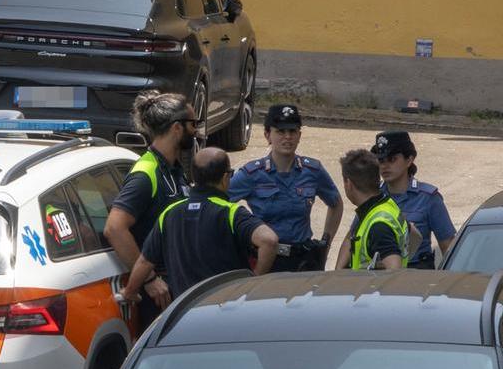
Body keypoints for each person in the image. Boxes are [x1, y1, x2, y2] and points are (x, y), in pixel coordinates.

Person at [119, 147, 279, 308]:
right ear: (225, 178)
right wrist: (252, 285)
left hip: (186, 313)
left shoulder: (169, 213)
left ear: (194, 177)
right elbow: (269, 240)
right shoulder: (231, 213)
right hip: (227, 311)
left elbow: (145, 261)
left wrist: (129, 292)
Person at [104, 91, 196, 330]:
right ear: (177, 128)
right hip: (159, 294)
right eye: (193, 124)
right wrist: (149, 279)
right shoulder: (146, 173)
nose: (197, 131)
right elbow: (114, 228)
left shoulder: (174, 169)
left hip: (179, 285)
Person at [228, 104, 343, 271]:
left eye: (292, 131)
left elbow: (336, 203)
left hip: (303, 262)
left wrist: (326, 243)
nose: (287, 137)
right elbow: (219, 203)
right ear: (267, 135)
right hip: (267, 262)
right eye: (280, 131)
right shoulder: (252, 174)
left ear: (299, 135)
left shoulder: (313, 170)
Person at [372, 130, 457, 269]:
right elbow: (352, 238)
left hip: (417, 275)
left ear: (409, 160)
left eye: (392, 159)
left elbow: (448, 248)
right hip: (378, 274)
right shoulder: (373, 196)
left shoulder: (428, 198)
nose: (385, 166)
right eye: (381, 160)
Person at [334, 149, 422, 270]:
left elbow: (394, 270)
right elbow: (416, 236)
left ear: (348, 184)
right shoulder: (387, 205)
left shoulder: (378, 226)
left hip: (372, 283)